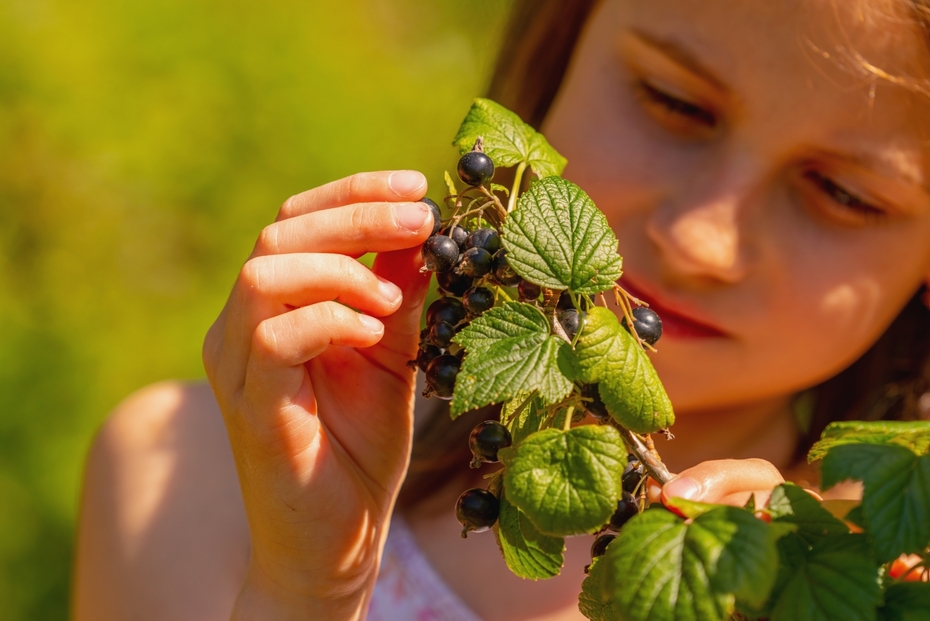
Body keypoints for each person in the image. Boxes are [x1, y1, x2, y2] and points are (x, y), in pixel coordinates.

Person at [72, 0, 930, 619]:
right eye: (675, 101)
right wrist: (309, 593)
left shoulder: (893, 585)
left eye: (843, 193)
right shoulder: (190, 487)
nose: (701, 240)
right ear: (558, 48)